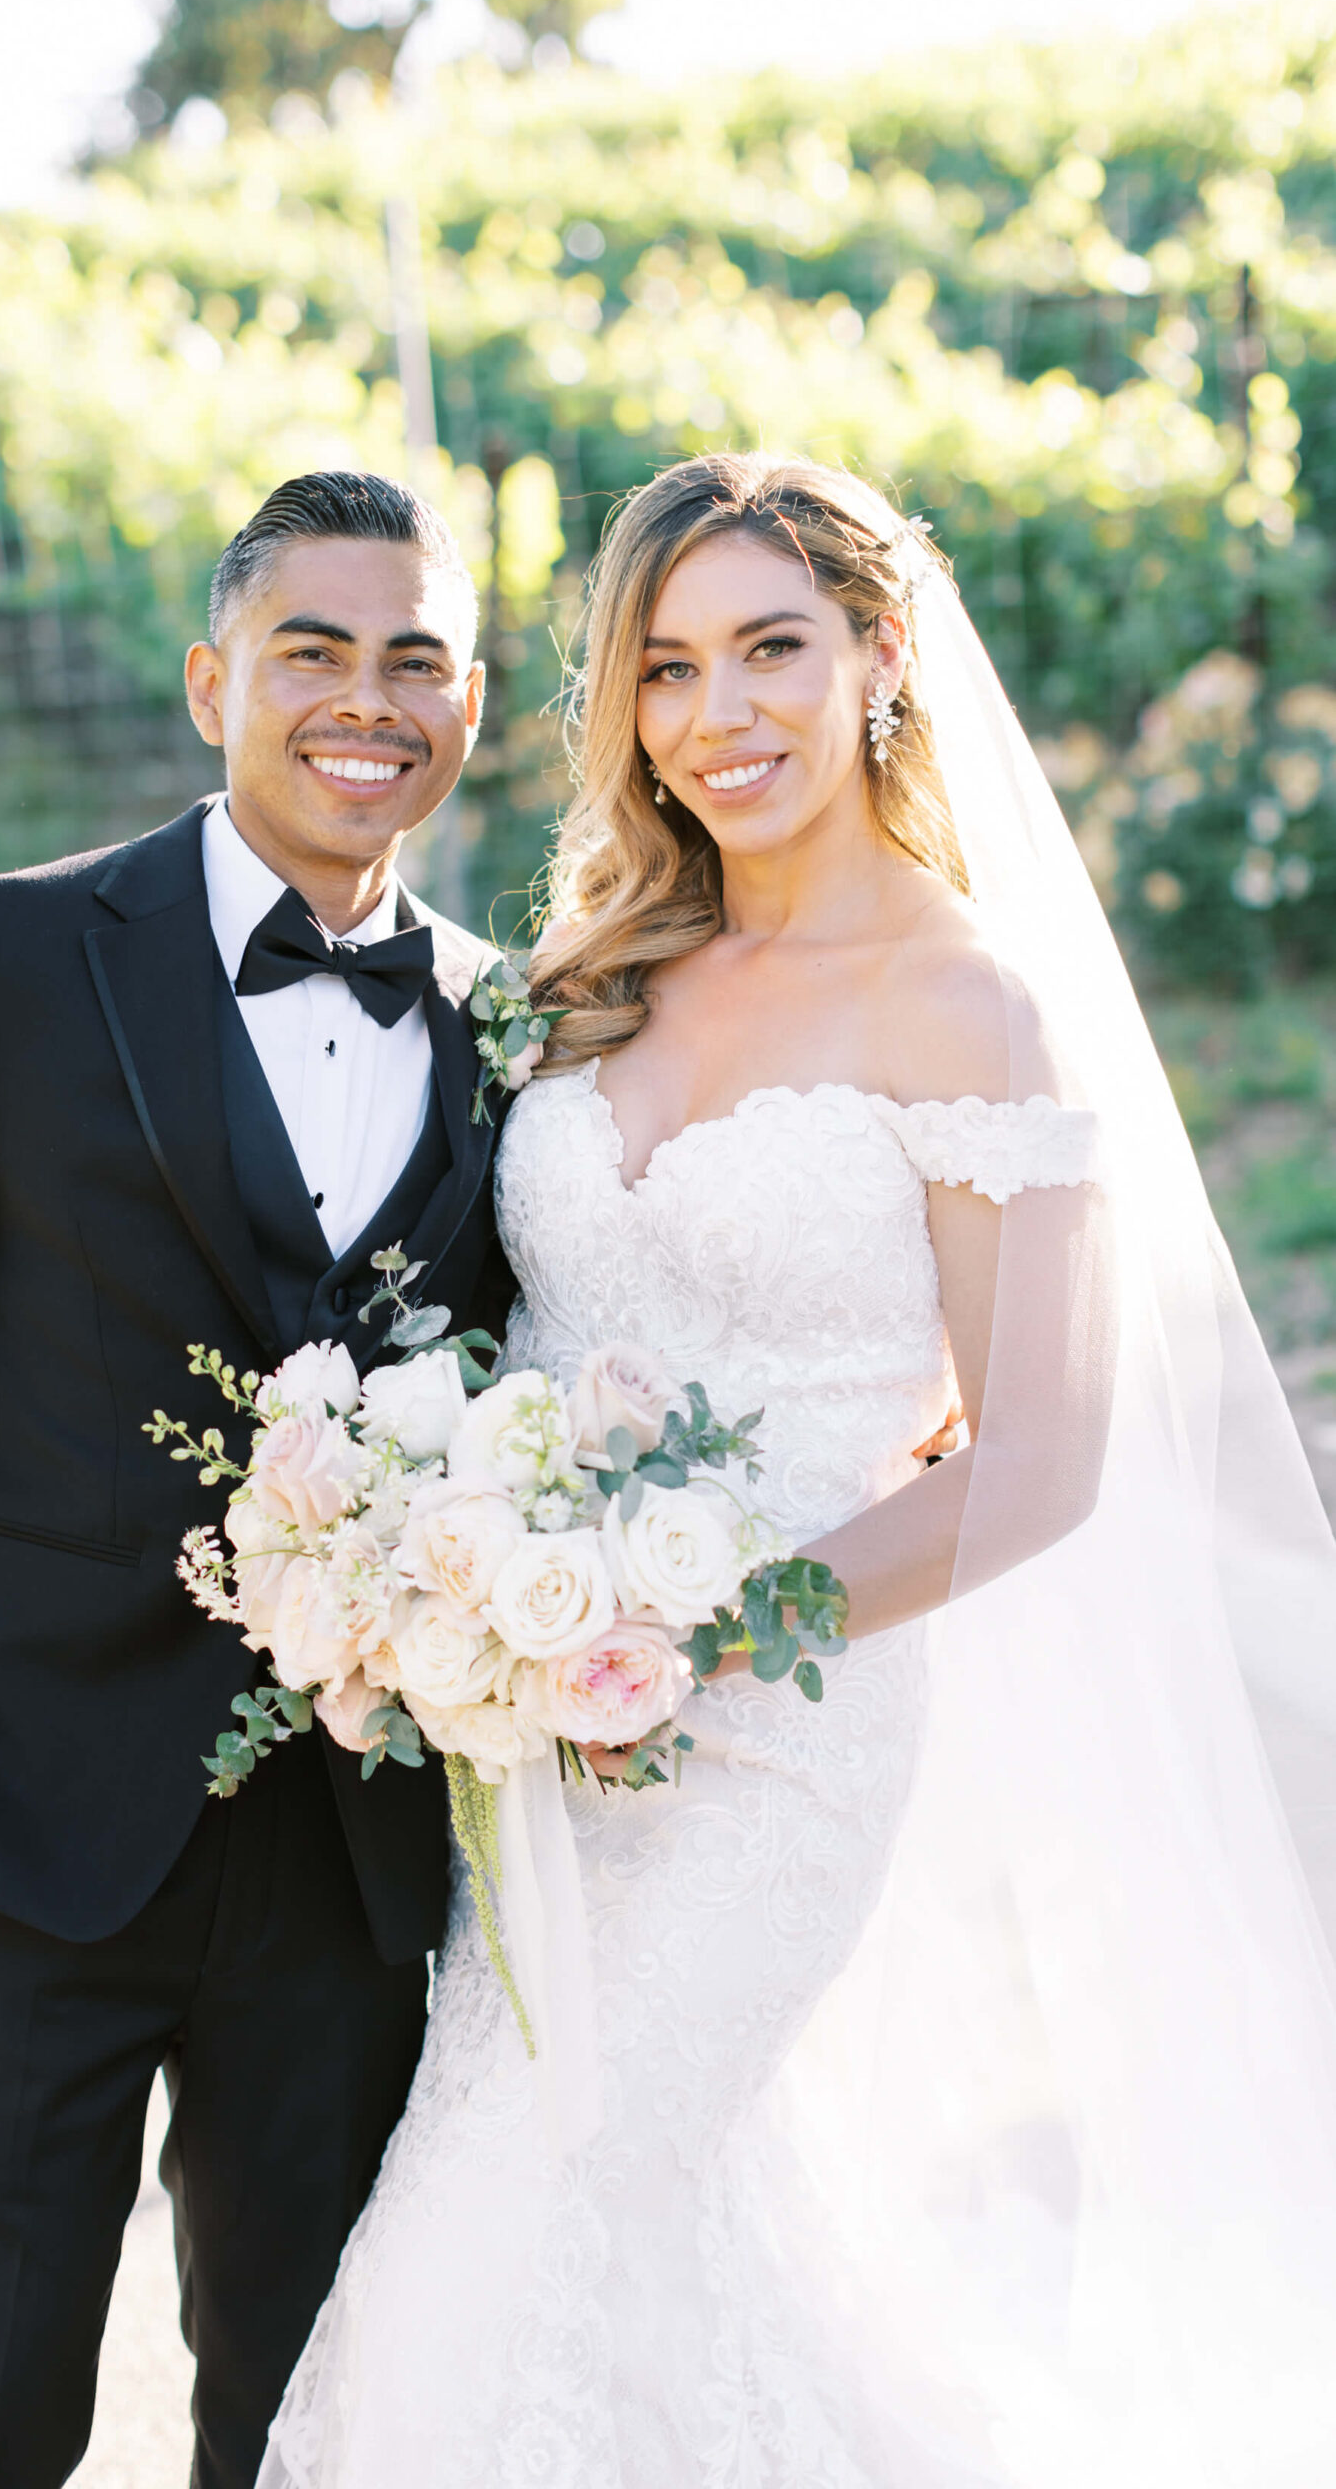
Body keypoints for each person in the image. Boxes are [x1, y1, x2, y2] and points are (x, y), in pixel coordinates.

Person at [260, 455, 1336, 2486]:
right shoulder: (595, 973)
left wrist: (695, 1640)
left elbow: (1031, 1463)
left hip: (775, 1742)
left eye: (769, 646)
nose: (716, 710)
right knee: (627, 2223)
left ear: (877, 656)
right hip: (530, 1736)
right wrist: (437, 1565)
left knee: (496, 2237)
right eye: (663, 666)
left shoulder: (964, 1006)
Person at [0, 469, 515, 2489]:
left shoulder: (521, 1024)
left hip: (348, 1855)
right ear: (207, 681)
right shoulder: (7, 955)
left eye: (411, 657)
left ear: (471, 703)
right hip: (3, 1815)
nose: (363, 697)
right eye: (309, 650)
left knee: (311, 2420)